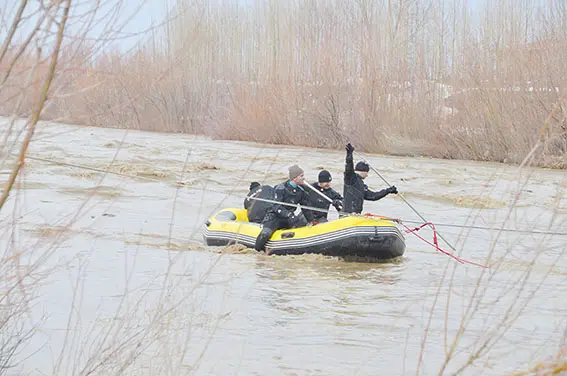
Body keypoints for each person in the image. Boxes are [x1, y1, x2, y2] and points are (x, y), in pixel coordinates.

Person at [254, 164, 314, 251]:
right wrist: (288, 214)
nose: (303, 178)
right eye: (301, 176)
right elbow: (275, 206)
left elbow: (305, 208)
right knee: (265, 234)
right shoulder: (280, 188)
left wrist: (311, 221)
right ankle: (257, 252)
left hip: (289, 218)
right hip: (275, 217)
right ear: (294, 178)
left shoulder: (301, 191)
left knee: (302, 227)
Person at [343, 143, 398, 214]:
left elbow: (373, 196)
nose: (367, 175)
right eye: (367, 173)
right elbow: (349, 166)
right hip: (347, 215)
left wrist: (388, 191)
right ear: (364, 171)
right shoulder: (351, 178)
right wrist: (349, 154)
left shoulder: (362, 186)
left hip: (356, 215)